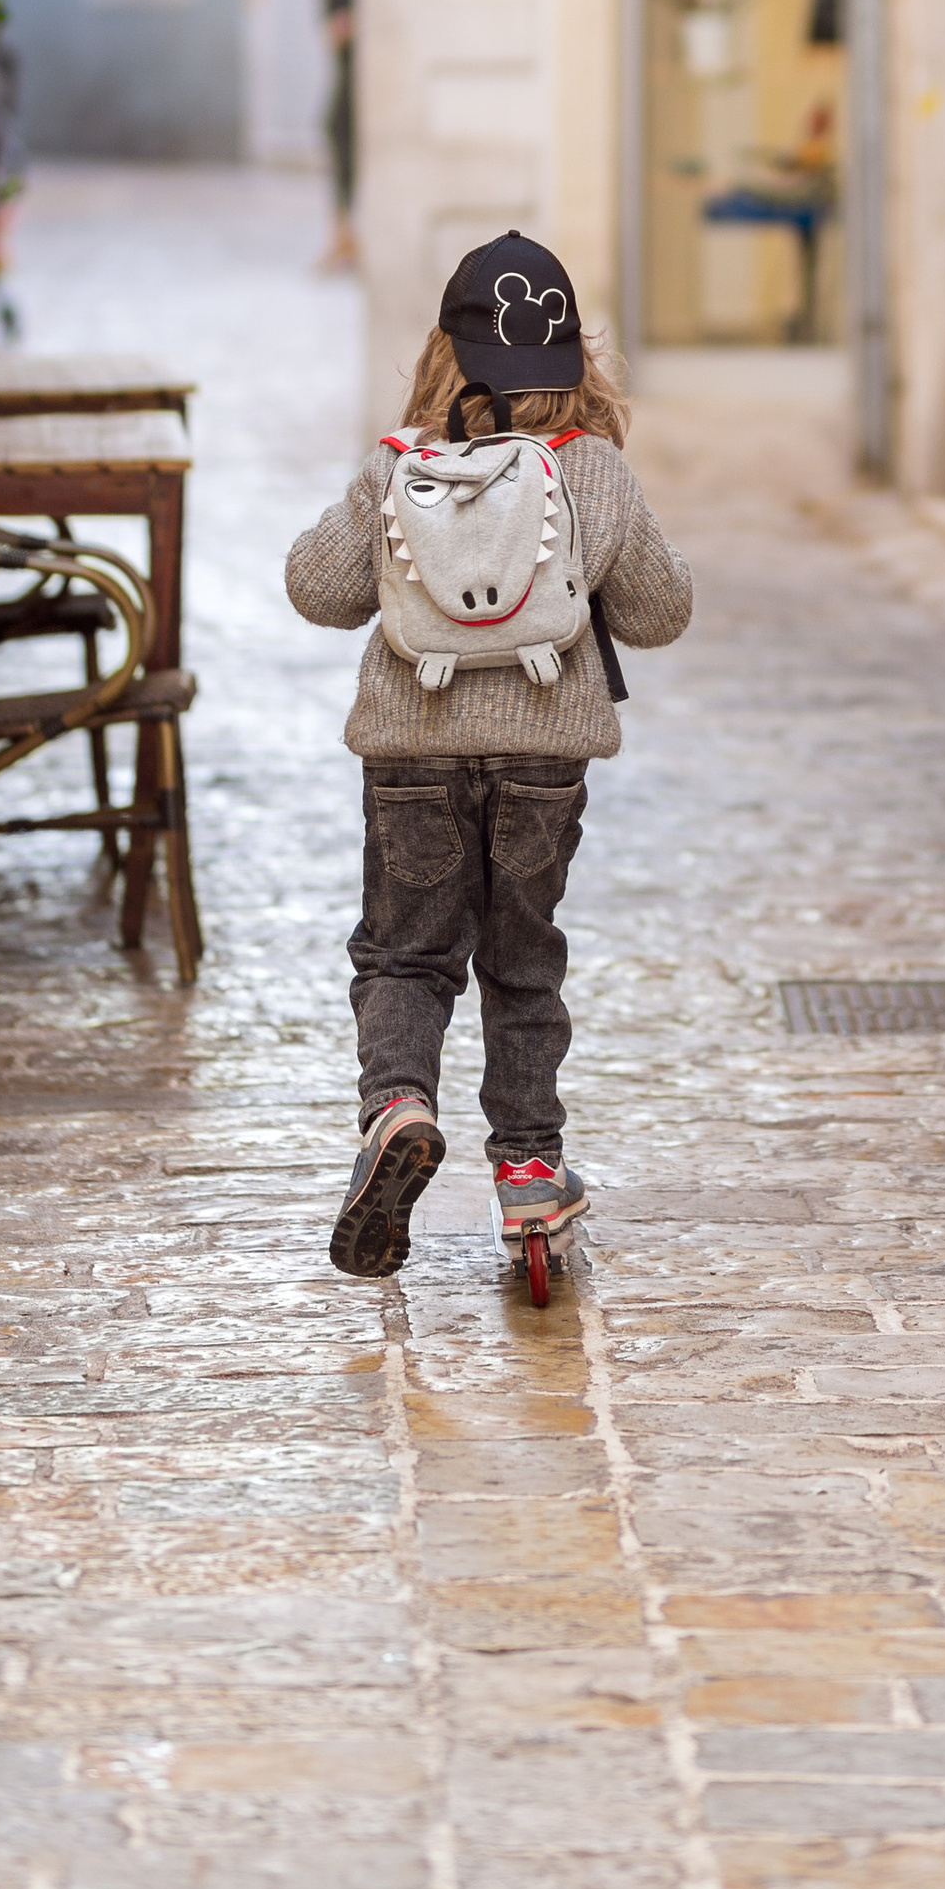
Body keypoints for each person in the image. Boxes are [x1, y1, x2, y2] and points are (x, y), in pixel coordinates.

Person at [285, 229, 692, 1276]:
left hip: (410, 755)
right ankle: (530, 1173)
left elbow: (315, 589)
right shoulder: (591, 469)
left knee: (405, 955)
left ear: (442, 354)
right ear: (574, 360)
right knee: (522, 960)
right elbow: (660, 614)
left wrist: (388, 515)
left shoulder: (400, 464)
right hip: (544, 761)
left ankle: (397, 1109)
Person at [318, 0, 358, 273]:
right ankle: (344, 234)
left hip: (366, 57)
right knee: (338, 130)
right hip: (351, 57)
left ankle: (350, 236)